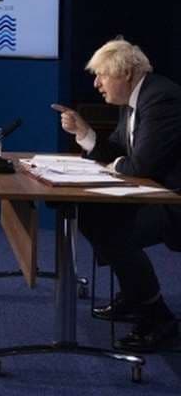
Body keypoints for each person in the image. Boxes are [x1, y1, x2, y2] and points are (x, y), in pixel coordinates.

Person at [52, 37, 181, 352]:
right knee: (90, 213)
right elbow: (117, 151)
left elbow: (140, 165)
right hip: (155, 193)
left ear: (125, 73)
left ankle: (157, 316)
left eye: (102, 75)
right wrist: (84, 133)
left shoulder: (161, 99)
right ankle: (134, 293)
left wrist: (118, 163)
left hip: (174, 200)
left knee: (114, 230)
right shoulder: (134, 101)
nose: (96, 84)